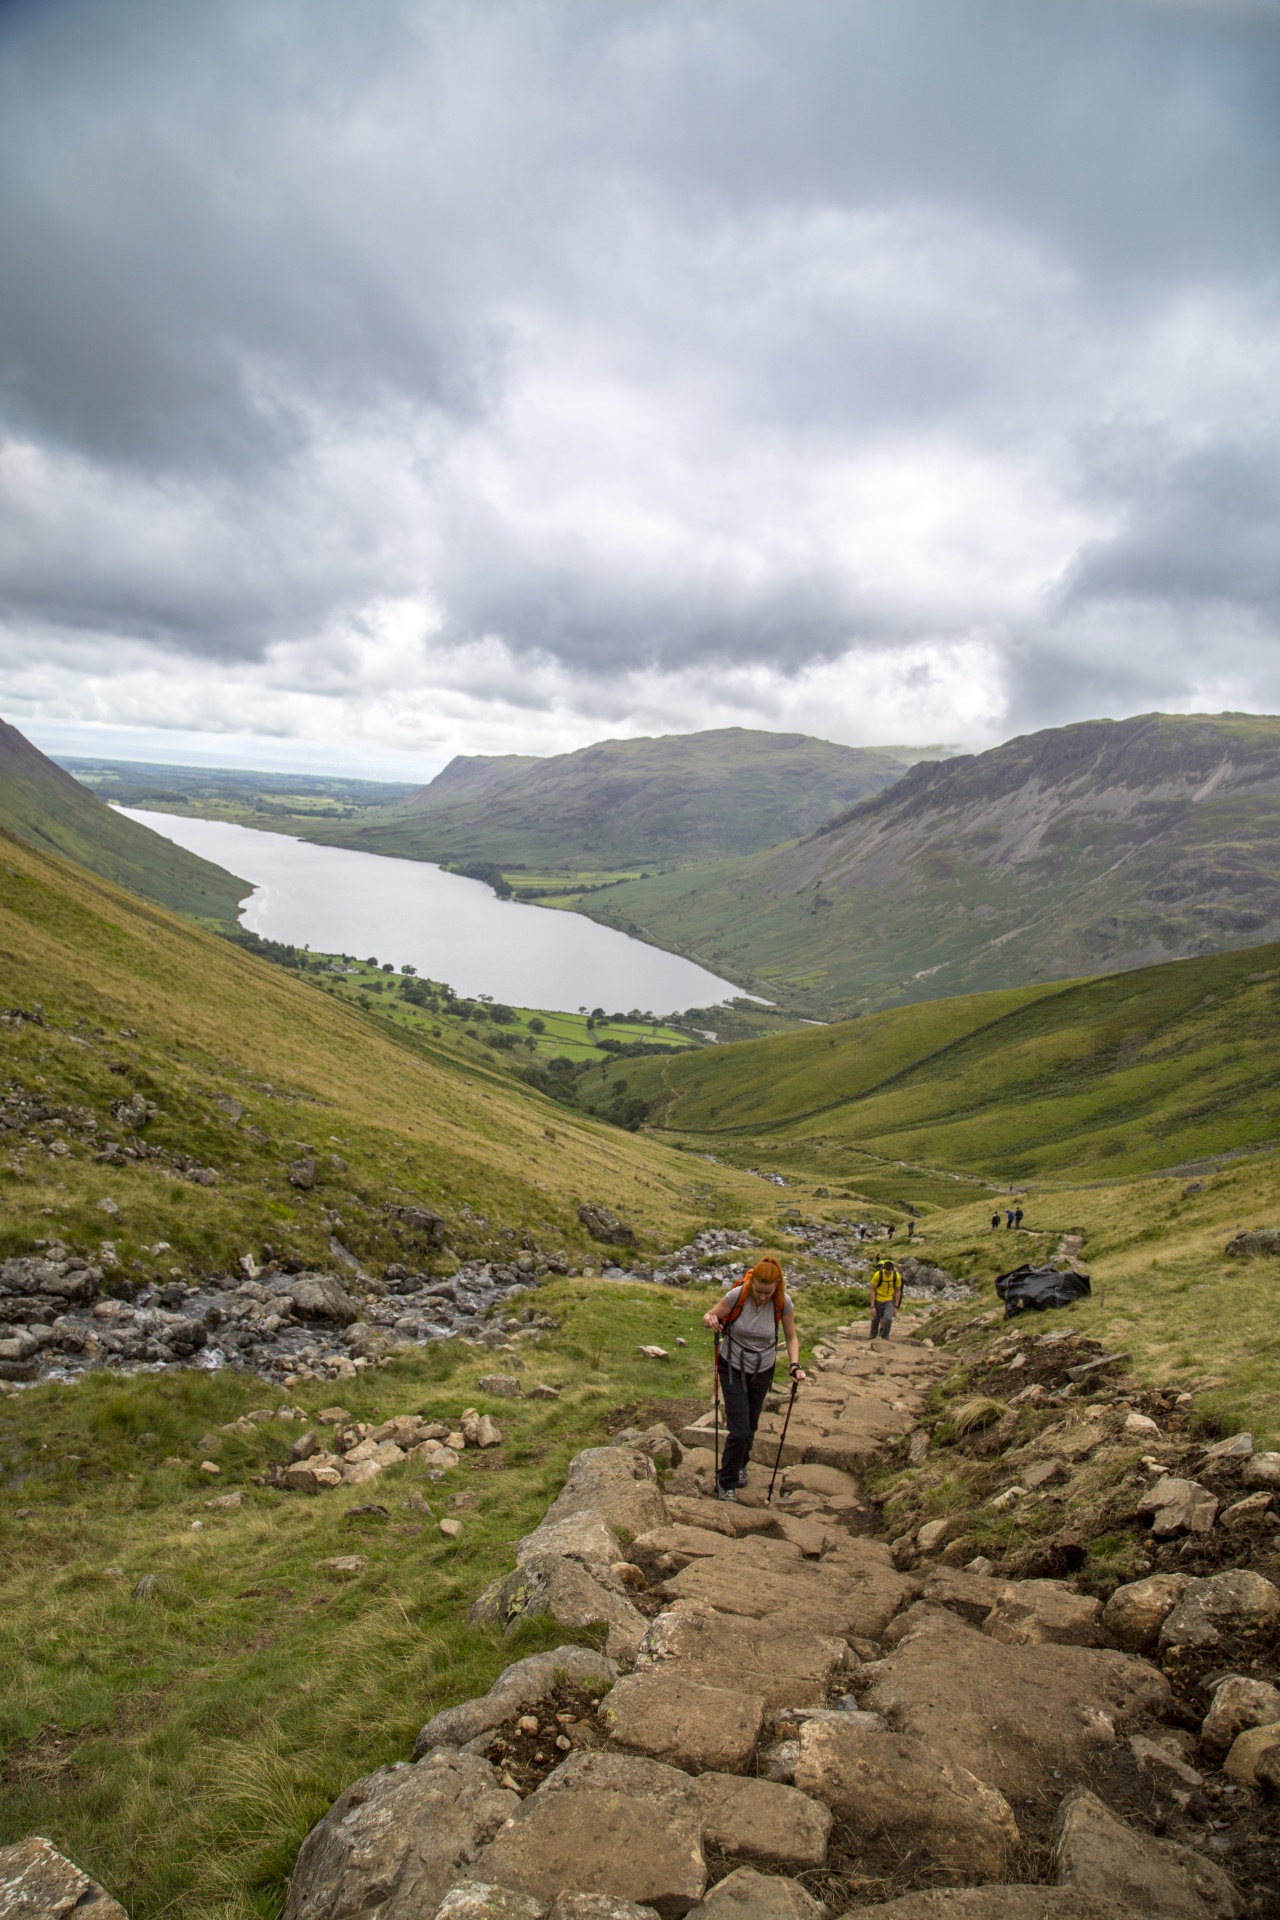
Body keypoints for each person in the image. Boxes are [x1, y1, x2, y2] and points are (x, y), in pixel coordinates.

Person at [702, 1257, 805, 1501]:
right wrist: (710, 1320)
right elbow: (707, 1317)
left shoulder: (783, 1302)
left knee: (751, 1425)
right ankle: (726, 1482)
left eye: (767, 1293)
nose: (761, 1297)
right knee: (739, 1430)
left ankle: (740, 1465)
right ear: (752, 1284)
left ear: (777, 1286)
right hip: (733, 1367)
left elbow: (791, 1337)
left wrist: (794, 1364)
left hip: (763, 1370)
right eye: (758, 1291)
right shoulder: (737, 1296)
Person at [869, 1254, 903, 1341]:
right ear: (883, 1269)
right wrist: (872, 1306)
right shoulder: (877, 1275)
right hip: (878, 1300)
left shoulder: (896, 1276)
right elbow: (872, 1290)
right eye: (886, 1273)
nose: (888, 1275)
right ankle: (872, 1336)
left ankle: (885, 1336)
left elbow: (898, 1291)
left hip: (889, 1300)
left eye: (889, 1273)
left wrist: (896, 1306)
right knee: (875, 1320)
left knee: (888, 1319)